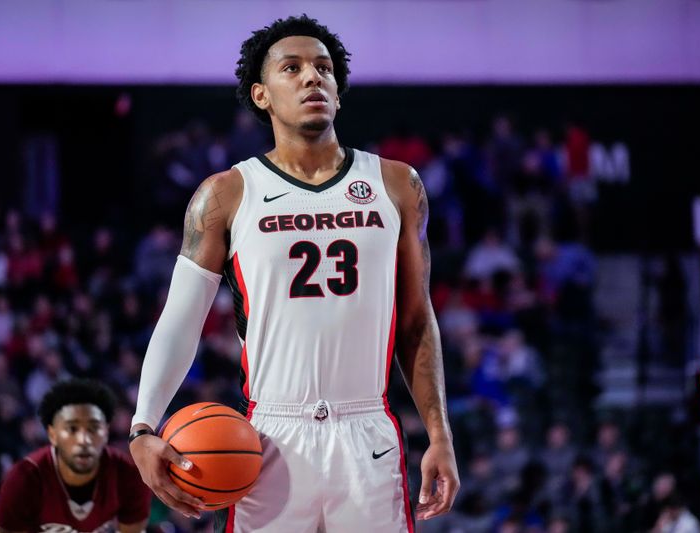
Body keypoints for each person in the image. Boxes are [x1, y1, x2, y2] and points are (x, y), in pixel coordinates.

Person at [129, 14, 459, 532]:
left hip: (367, 432)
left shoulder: (397, 185)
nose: (313, 78)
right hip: (270, 438)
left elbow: (417, 322)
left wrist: (441, 437)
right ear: (261, 95)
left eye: (324, 68)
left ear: (339, 93)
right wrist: (142, 425)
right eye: (293, 68)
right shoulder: (226, 194)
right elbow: (180, 320)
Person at [0, 379, 150, 533]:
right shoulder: (23, 479)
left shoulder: (128, 475)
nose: (83, 440)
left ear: (106, 432)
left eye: (93, 428)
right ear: (52, 434)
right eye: (72, 428)